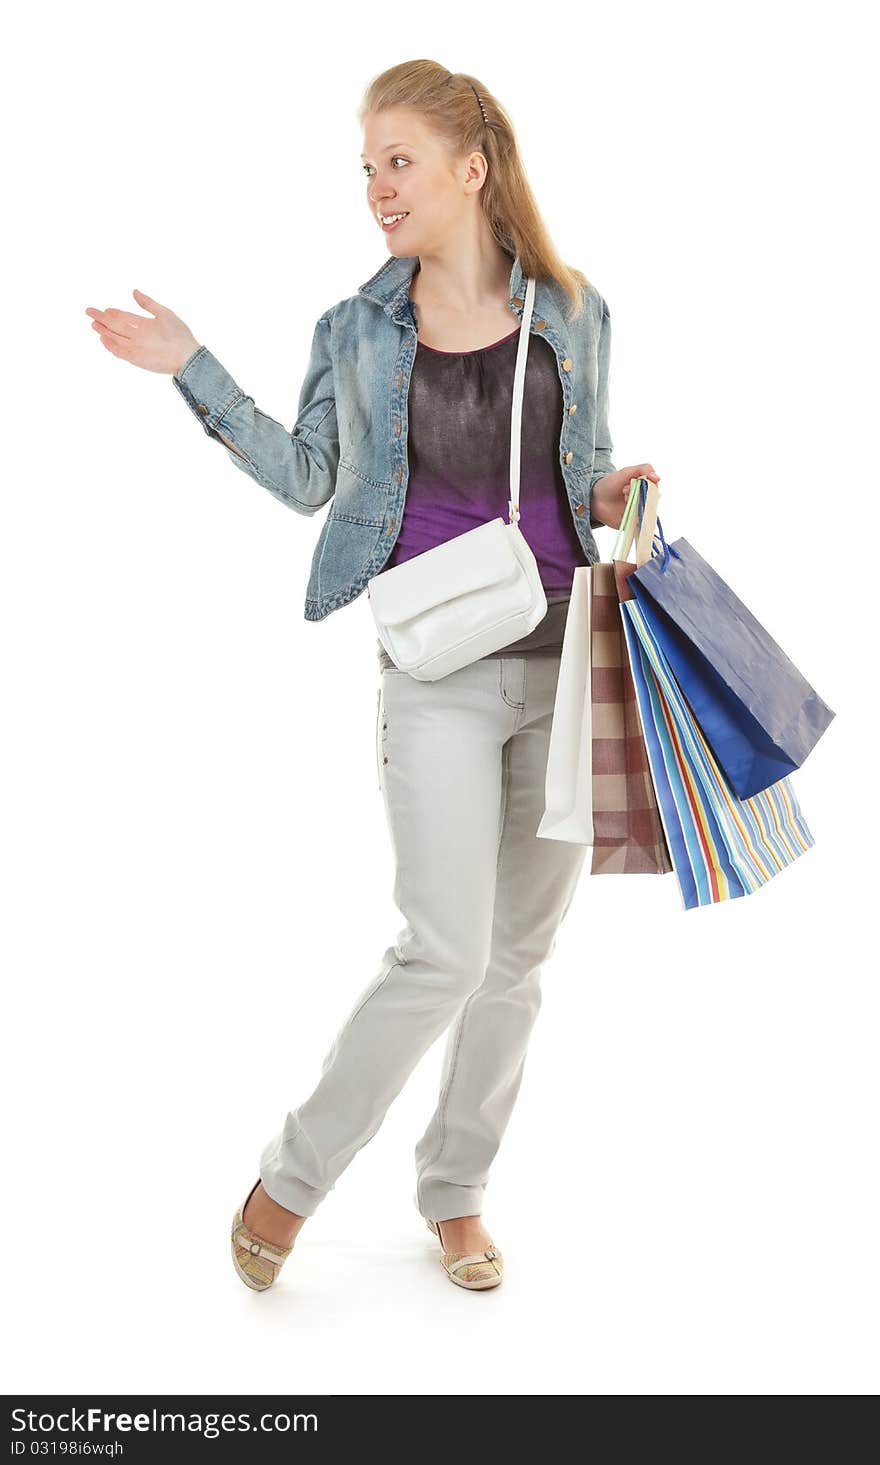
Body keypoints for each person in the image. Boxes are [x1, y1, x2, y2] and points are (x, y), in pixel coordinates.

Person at [85, 60, 660, 1295]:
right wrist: (195, 366)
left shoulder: (573, 309)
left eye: (395, 162)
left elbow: (590, 472)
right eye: (365, 168)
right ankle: (289, 1179)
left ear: (471, 168)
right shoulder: (355, 332)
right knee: (442, 950)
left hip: (565, 665)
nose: (374, 188)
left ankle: (455, 1191)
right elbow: (307, 478)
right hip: (435, 668)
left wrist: (622, 494)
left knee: (518, 959)